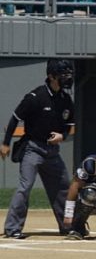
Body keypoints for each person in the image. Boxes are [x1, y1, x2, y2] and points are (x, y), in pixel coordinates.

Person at [1, 59, 75, 239]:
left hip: (53, 152)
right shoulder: (36, 97)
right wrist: (6, 143)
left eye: (69, 74)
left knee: (64, 186)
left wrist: (62, 136)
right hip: (32, 148)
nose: (67, 78)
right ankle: (12, 228)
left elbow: (68, 125)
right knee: (25, 187)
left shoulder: (65, 100)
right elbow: (15, 118)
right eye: (63, 75)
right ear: (51, 76)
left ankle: (68, 226)